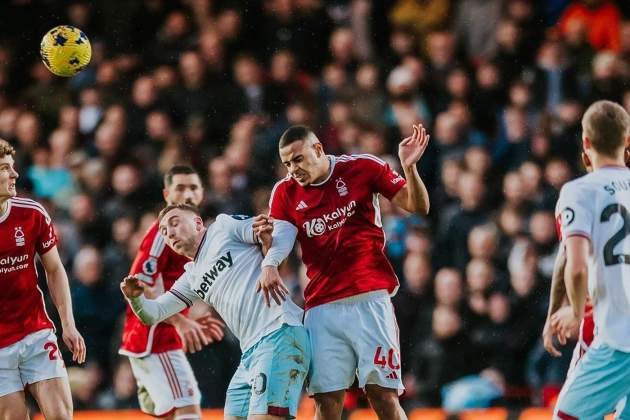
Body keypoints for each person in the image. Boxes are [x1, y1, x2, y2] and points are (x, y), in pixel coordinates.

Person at [259, 124, 430, 420]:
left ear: (318, 149)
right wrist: (268, 257)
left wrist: (409, 168)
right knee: (326, 402)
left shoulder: (363, 168)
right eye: (286, 163)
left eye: (298, 159)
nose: (292, 169)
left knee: (383, 396)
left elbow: (418, 206)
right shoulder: (284, 192)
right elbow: (282, 246)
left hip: (370, 299)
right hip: (322, 308)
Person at [120, 204, 310, 419]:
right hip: (249, 353)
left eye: (175, 223)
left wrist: (270, 264)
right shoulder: (192, 275)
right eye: (164, 232)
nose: (170, 232)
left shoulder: (223, 227)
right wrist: (135, 298)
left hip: (279, 333)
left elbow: (283, 228)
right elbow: (153, 313)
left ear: (198, 222)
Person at [118, 165, 224, 420]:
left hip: (162, 337)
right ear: (167, 194)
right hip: (153, 337)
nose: (187, 193)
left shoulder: (197, 233)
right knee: (182, 409)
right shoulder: (160, 233)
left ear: (202, 194)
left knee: (179, 410)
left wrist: (194, 313)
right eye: (180, 187)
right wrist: (180, 321)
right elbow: (138, 286)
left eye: (193, 187)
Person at [550, 100, 630, 419]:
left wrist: (575, 306)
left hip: (618, 335)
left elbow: (577, 263)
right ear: (627, 141)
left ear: (586, 142)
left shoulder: (579, 191)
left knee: (567, 417)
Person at [0, 138, 86, 420]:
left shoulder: (31, 214)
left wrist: (68, 325)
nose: (14, 175)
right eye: (5, 168)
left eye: (12, 167)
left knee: (61, 416)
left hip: (35, 333)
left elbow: (54, 269)